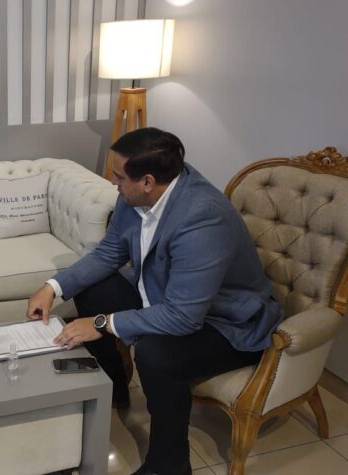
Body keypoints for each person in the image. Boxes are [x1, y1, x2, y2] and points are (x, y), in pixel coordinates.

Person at [27, 127, 282, 475]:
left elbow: (184, 316)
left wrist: (103, 324)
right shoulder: (134, 197)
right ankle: (113, 384)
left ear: (147, 181)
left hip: (227, 323)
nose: (112, 182)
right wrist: (53, 287)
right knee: (94, 290)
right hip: (168, 297)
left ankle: (170, 464)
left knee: (156, 353)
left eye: (118, 176)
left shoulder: (203, 218)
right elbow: (109, 253)